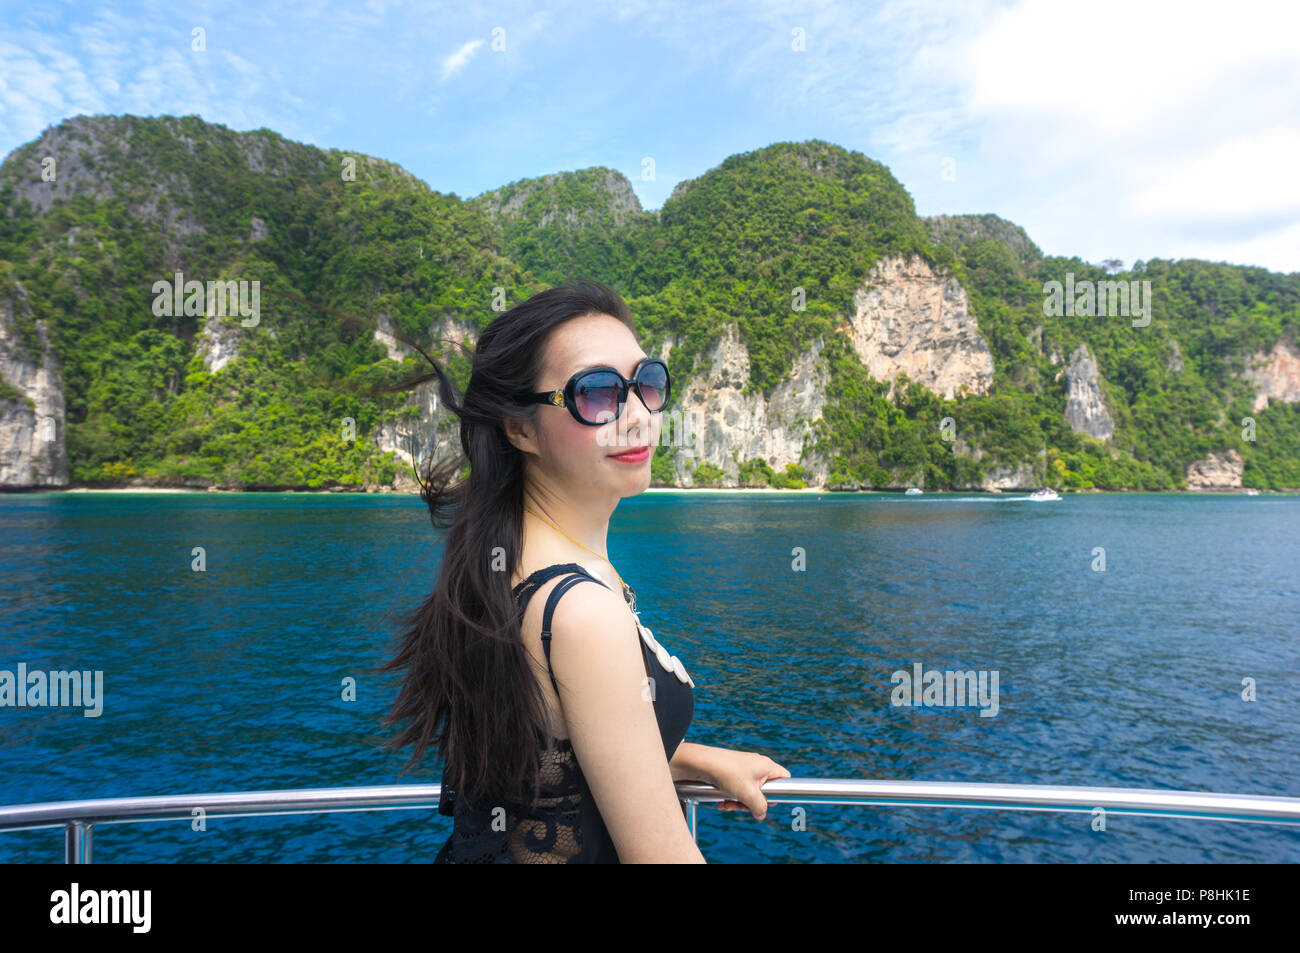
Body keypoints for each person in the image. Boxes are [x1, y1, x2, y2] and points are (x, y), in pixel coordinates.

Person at [379, 279, 788, 863]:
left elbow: (552, 751)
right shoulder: (580, 612)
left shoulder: (507, 562)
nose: (637, 415)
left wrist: (691, 758)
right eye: (596, 393)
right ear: (520, 429)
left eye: (646, 384)